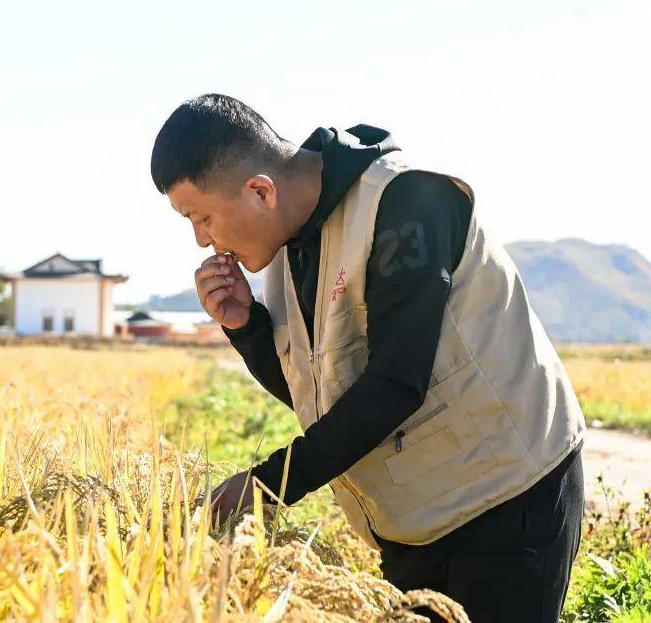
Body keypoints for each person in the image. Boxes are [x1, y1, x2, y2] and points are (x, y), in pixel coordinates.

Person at [149, 93, 586, 622]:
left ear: (261, 191)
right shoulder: (290, 250)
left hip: (507, 503)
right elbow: (322, 398)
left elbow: (396, 384)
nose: (201, 240)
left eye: (201, 217)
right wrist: (248, 328)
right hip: (414, 523)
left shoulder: (407, 203)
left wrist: (268, 485)